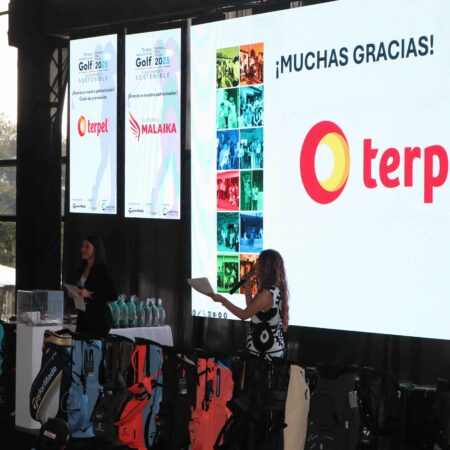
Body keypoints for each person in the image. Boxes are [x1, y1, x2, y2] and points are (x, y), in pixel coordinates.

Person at [208, 249, 289, 360]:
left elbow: (244, 314)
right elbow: (251, 308)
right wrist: (247, 285)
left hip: (266, 354)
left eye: (259, 261)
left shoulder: (267, 294)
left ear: (265, 267)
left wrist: (223, 300)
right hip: (268, 350)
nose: (255, 265)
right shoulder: (273, 290)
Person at [69, 235, 117, 339]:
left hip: (99, 319)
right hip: (83, 317)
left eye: (87, 247)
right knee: (80, 346)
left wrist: (90, 294)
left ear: (96, 249)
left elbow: (113, 295)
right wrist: (74, 293)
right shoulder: (82, 268)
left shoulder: (103, 269)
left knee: (95, 348)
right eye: (82, 246)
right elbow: (82, 290)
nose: (83, 249)